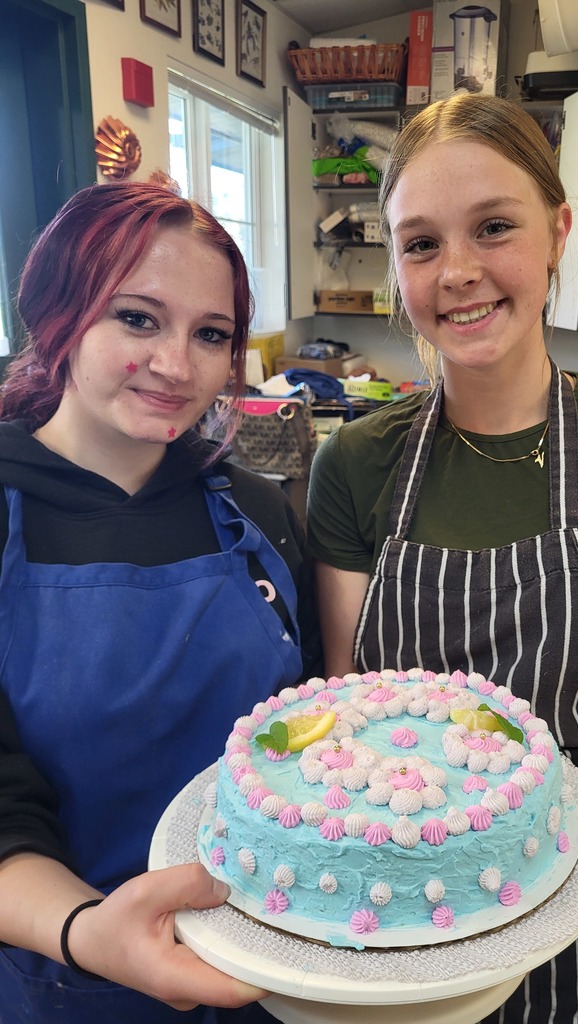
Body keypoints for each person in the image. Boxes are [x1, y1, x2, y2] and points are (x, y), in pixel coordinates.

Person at [307, 93, 578, 1024]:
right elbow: (347, 709)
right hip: (400, 907)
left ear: (558, 233)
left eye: (493, 227)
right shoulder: (353, 464)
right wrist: (445, 887)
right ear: (396, 267)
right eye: (420, 244)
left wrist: (548, 868)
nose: (457, 272)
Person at [0, 180, 320, 1023]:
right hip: (62, 970)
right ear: (58, 314)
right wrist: (88, 930)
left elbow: (311, 737)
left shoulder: (258, 513)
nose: (177, 366)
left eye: (210, 334)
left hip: (271, 970)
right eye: (137, 318)